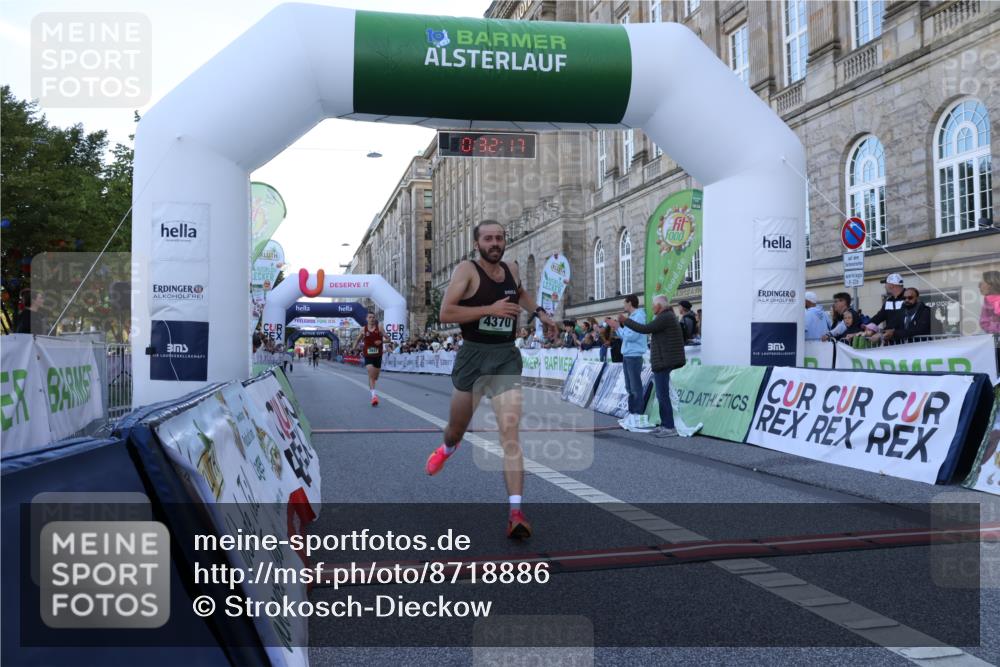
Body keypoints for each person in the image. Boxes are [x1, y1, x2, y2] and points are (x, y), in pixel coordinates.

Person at [424, 220, 556, 539]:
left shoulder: (511, 268)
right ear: (477, 244)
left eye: (499, 238)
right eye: (488, 239)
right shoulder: (466, 271)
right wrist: (489, 309)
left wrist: (540, 312)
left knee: (510, 433)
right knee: (456, 430)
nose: (494, 243)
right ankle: (447, 448)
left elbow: (520, 293)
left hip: (505, 356)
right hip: (473, 357)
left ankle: (516, 513)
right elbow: (446, 313)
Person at [618, 295, 686, 437]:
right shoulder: (665, 316)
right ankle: (665, 424)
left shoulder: (665, 317)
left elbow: (645, 329)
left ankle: (669, 427)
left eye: (653, 305)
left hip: (664, 361)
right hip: (663, 361)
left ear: (659, 306)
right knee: (662, 395)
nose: (652, 308)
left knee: (662, 395)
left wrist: (626, 321)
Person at [613, 294, 652, 432]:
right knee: (630, 386)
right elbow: (626, 336)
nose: (623, 305)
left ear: (630, 303)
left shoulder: (639, 316)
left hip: (634, 355)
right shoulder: (632, 317)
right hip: (628, 354)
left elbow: (632, 336)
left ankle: (637, 413)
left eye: (625, 302)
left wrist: (618, 327)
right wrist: (617, 328)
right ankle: (632, 413)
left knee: (635, 386)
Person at [354, 312, 385, 406]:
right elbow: (358, 340)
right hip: (368, 354)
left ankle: (373, 384)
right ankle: (374, 396)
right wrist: (354, 348)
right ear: (366, 319)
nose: (372, 319)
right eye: (370, 317)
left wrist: (381, 341)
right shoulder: (363, 329)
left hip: (378, 355)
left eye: (373, 317)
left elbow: (389, 339)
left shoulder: (379, 327)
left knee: (375, 377)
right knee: (371, 374)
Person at [870, 273, 907, 344]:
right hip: (892, 342)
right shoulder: (889, 301)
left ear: (891, 285)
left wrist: (883, 332)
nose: (884, 286)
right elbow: (878, 317)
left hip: (907, 342)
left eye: (886, 284)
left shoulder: (908, 298)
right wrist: (865, 327)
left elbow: (900, 319)